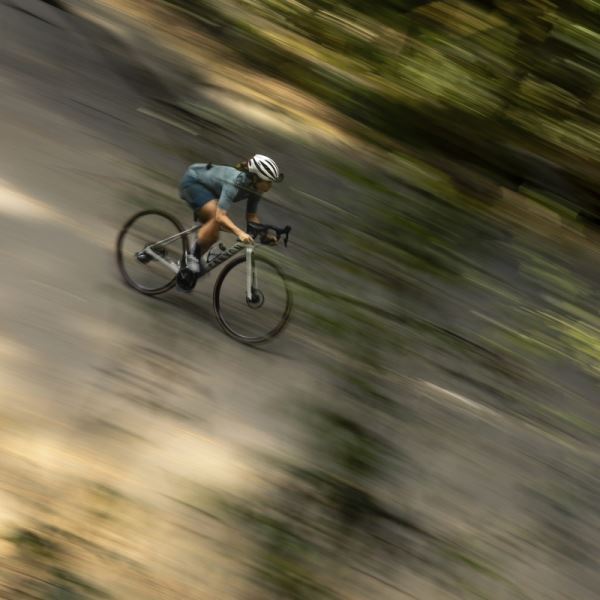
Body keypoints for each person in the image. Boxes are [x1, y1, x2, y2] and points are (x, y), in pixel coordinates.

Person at [176, 154, 284, 291]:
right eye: (268, 181)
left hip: (210, 193)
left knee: (213, 233)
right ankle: (191, 258)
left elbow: (251, 216)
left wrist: (264, 234)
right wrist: (240, 233)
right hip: (193, 182)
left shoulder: (256, 189)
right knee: (215, 218)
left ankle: (188, 265)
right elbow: (220, 216)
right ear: (256, 177)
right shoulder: (235, 181)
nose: (270, 185)